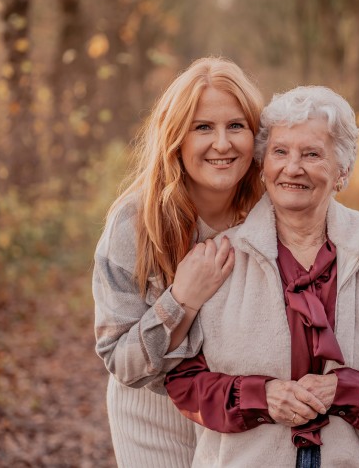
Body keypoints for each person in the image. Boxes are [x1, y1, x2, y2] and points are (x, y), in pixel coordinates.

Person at [165, 86, 359, 467]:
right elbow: (183, 382)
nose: (292, 168)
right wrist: (261, 396)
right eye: (280, 152)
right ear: (262, 166)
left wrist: (344, 390)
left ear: (342, 171)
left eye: (311, 154)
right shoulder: (219, 261)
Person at [92, 57, 265, 467]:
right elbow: (122, 360)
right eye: (203, 127)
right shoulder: (135, 223)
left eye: (236, 126)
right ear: (176, 137)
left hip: (242, 410)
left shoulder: (267, 215)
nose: (222, 143)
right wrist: (182, 299)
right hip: (153, 413)